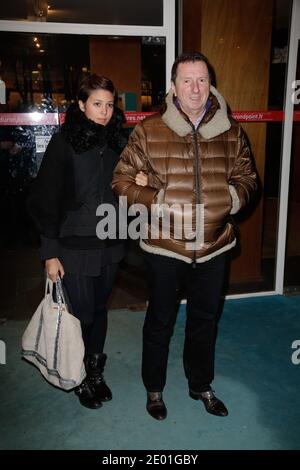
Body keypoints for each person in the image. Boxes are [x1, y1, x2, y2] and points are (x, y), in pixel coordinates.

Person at [112, 52, 257, 420]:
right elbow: (121, 182)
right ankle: (154, 389)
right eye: (187, 80)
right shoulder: (149, 130)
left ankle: (200, 385)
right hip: (165, 246)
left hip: (214, 246)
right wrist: (155, 200)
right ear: (173, 87)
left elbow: (249, 179)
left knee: (205, 321)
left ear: (211, 84)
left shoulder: (231, 130)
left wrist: (233, 198)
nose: (195, 88)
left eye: (203, 79)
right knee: (160, 321)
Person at [28, 74, 127, 409]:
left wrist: (138, 180)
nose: (104, 112)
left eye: (110, 105)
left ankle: (96, 372)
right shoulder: (64, 142)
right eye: (97, 104)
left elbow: (127, 186)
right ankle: (81, 374)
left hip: (111, 241)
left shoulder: (118, 141)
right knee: (81, 313)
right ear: (81, 105)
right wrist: (49, 252)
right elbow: (47, 200)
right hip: (74, 243)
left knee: (100, 310)